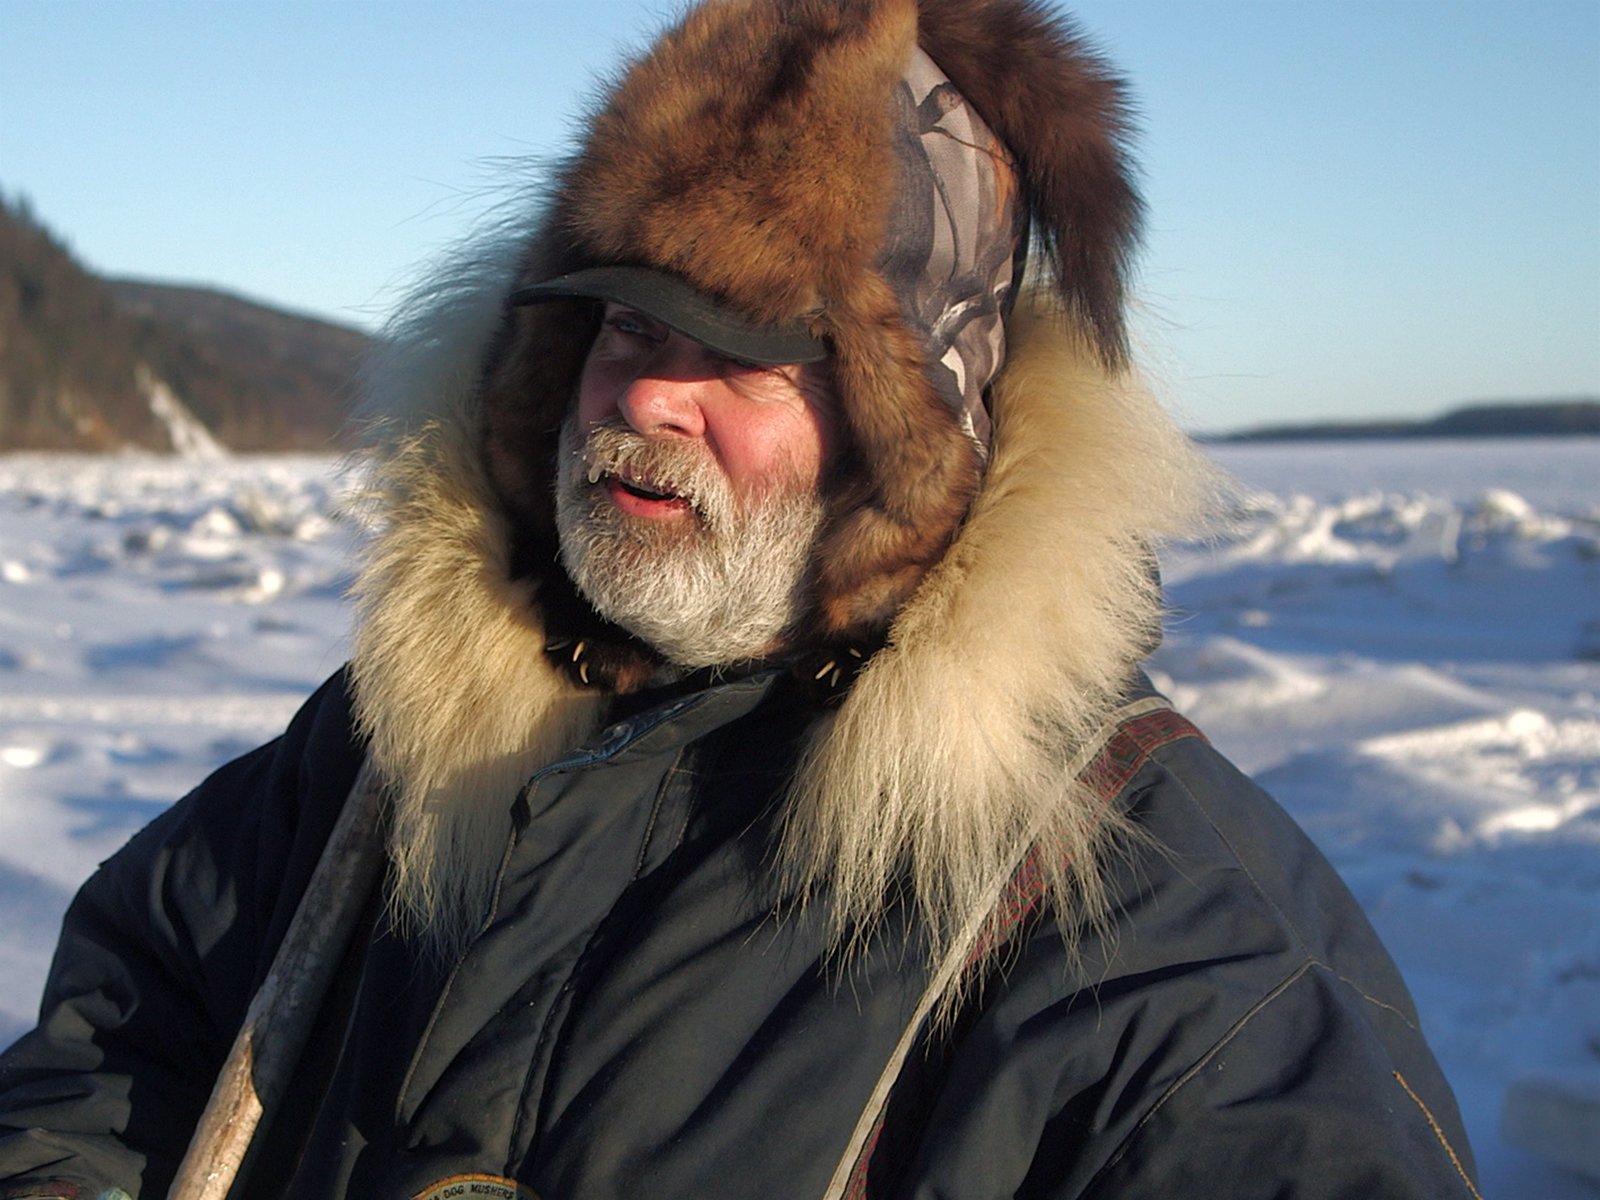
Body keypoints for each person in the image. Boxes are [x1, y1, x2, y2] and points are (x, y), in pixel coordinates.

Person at [0, 1, 1481, 1197]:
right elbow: (131, 1026)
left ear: (914, 435)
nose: (647, 395)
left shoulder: (1165, 937)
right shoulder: (395, 749)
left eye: (750, 352)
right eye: (625, 325)